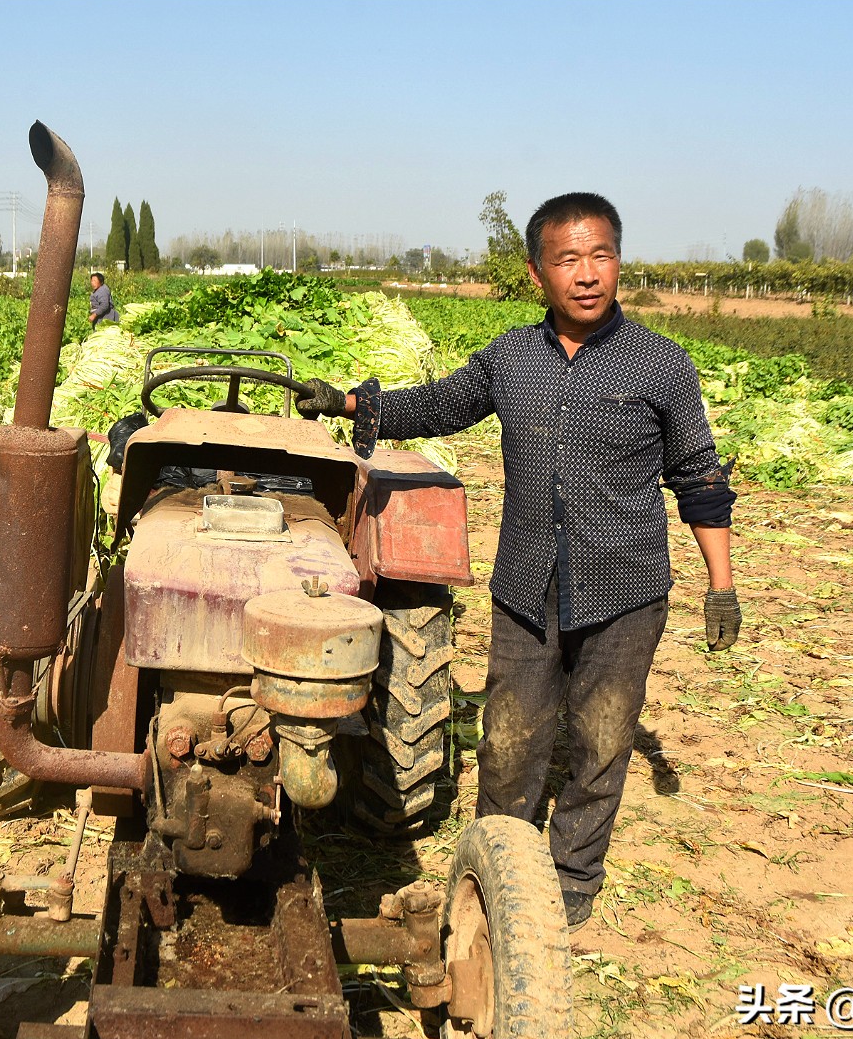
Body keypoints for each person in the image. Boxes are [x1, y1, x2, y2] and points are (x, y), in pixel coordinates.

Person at [295, 193, 740, 933]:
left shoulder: (661, 364)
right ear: (538, 272)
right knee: (508, 740)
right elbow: (437, 405)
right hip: (528, 585)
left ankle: (571, 882)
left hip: (626, 589)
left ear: (619, 261)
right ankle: (495, 867)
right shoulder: (511, 358)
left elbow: (699, 476)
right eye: (568, 259)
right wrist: (346, 402)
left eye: (600, 255)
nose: (587, 274)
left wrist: (721, 587)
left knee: (602, 740)